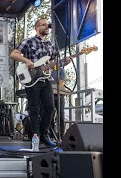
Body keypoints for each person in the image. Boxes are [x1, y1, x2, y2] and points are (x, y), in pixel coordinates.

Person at [9, 17, 70, 147]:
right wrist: (27, 61)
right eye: (44, 25)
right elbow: (13, 54)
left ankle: (44, 133)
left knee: (50, 108)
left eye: (48, 25)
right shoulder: (29, 41)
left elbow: (54, 65)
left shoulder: (50, 45)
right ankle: (36, 136)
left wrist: (64, 61)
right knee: (34, 109)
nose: (47, 26)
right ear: (37, 27)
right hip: (32, 79)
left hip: (46, 79)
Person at [50, 68, 68, 138]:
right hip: (49, 95)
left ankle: (61, 135)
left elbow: (61, 83)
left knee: (60, 114)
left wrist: (53, 87)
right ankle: (52, 133)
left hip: (59, 95)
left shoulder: (61, 70)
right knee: (50, 114)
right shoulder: (47, 70)